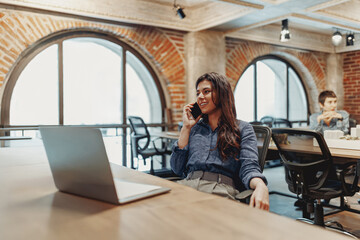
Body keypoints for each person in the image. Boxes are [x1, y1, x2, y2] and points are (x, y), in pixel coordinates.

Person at [170, 72, 269, 210]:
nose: (200, 97)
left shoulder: (243, 128)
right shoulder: (193, 128)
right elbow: (177, 168)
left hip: (220, 190)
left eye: (206, 91)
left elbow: (249, 166)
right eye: (198, 93)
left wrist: (260, 185)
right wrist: (186, 127)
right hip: (187, 186)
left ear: (222, 94)